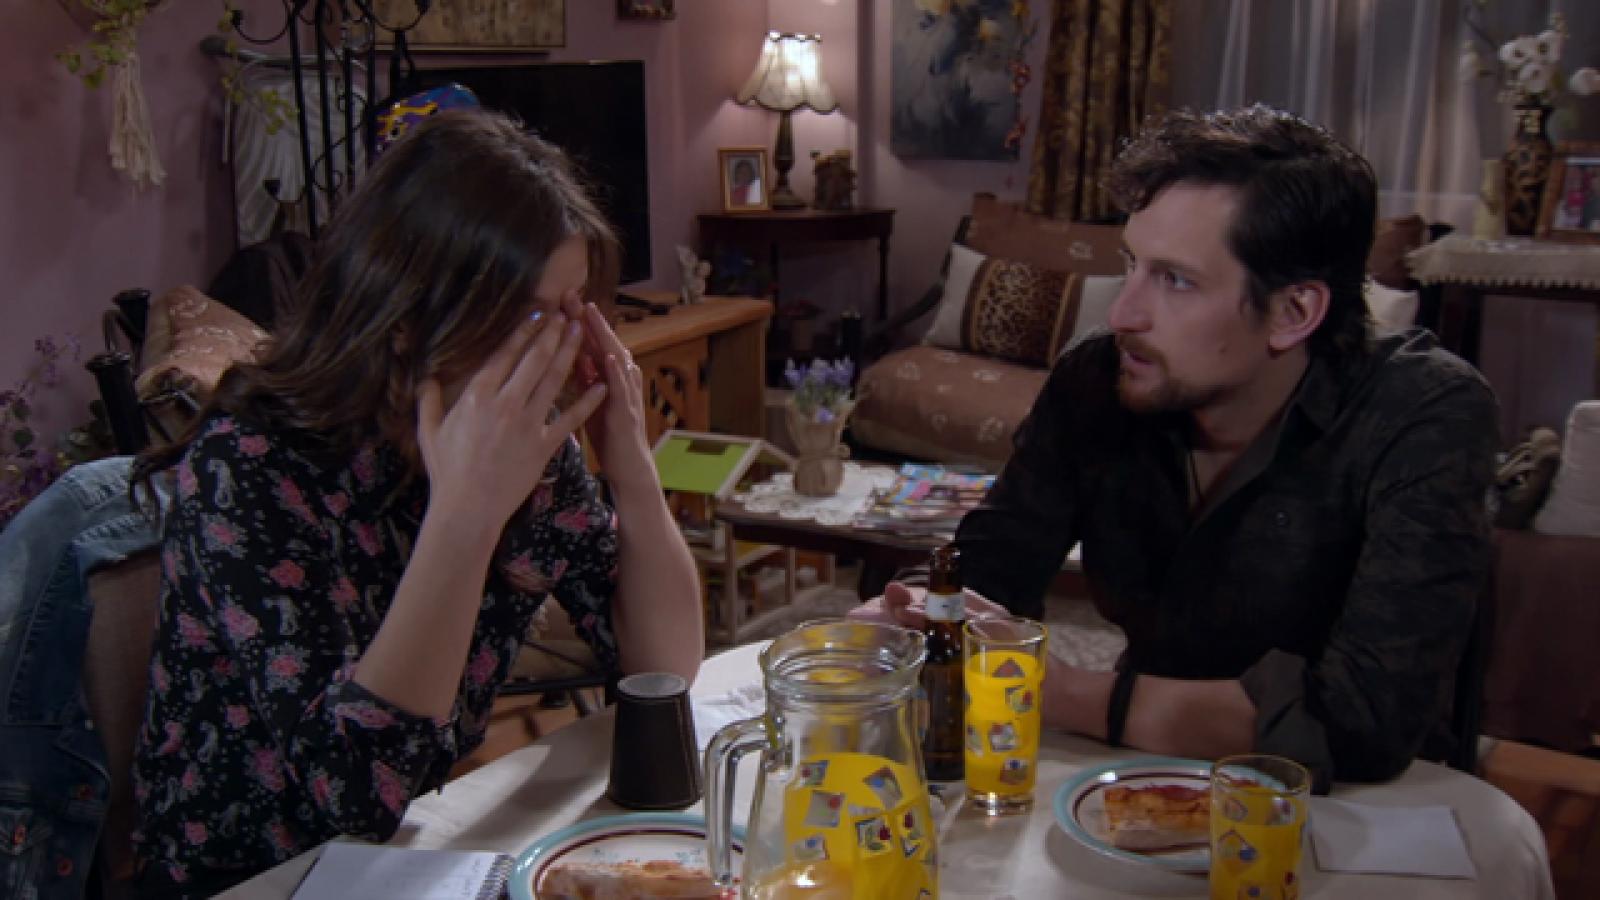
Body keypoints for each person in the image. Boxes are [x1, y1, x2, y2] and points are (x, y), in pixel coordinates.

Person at [128, 110, 704, 896]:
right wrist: (465, 518)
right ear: (407, 317)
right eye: (532, 318)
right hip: (245, 878)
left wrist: (630, 459)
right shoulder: (250, 467)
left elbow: (665, 674)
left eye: (574, 310)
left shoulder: (525, 448)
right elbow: (358, 791)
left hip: (402, 855)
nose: (561, 348)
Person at [854, 105, 1498, 789]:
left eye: (1176, 280)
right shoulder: (1096, 379)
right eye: (1132, 265)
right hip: (1142, 769)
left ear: (1294, 312)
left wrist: (1057, 689)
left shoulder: (1426, 413)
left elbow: (1364, 720)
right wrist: (910, 613)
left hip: (1361, 805)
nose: (1123, 314)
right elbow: (996, 563)